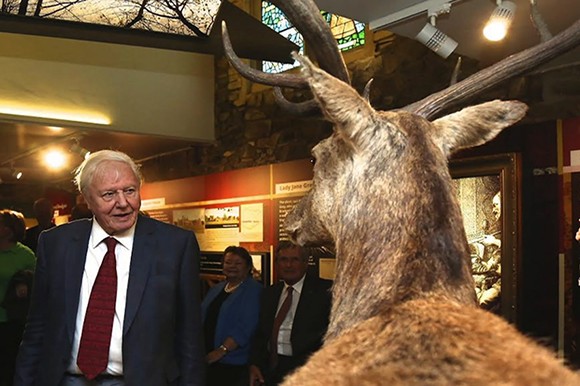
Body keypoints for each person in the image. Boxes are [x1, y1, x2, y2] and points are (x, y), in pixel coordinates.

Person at [14, 150, 205, 386]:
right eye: (109, 194)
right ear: (87, 198)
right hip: (65, 379)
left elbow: (190, 336)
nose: (123, 203)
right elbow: (38, 325)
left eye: (130, 191)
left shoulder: (175, 245)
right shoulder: (56, 243)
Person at [248, 241, 332, 386]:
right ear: (277, 264)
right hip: (269, 369)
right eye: (284, 260)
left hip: (306, 370)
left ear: (305, 263)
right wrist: (254, 364)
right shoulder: (269, 293)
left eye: (294, 260)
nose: (288, 265)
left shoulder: (324, 292)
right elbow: (260, 333)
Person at [201, 246, 262, 386]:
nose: (232, 266)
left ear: (248, 267)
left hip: (233, 362)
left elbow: (247, 326)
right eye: (228, 262)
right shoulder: (217, 288)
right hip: (209, 359)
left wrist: (222, 350)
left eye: (238, 263)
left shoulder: (254, 290)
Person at [0, 210, 36, 386]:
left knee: (8, 368)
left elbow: (39, 287)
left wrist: (25, 285)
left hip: (11, 321)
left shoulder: (25, 255)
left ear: (8, 230)